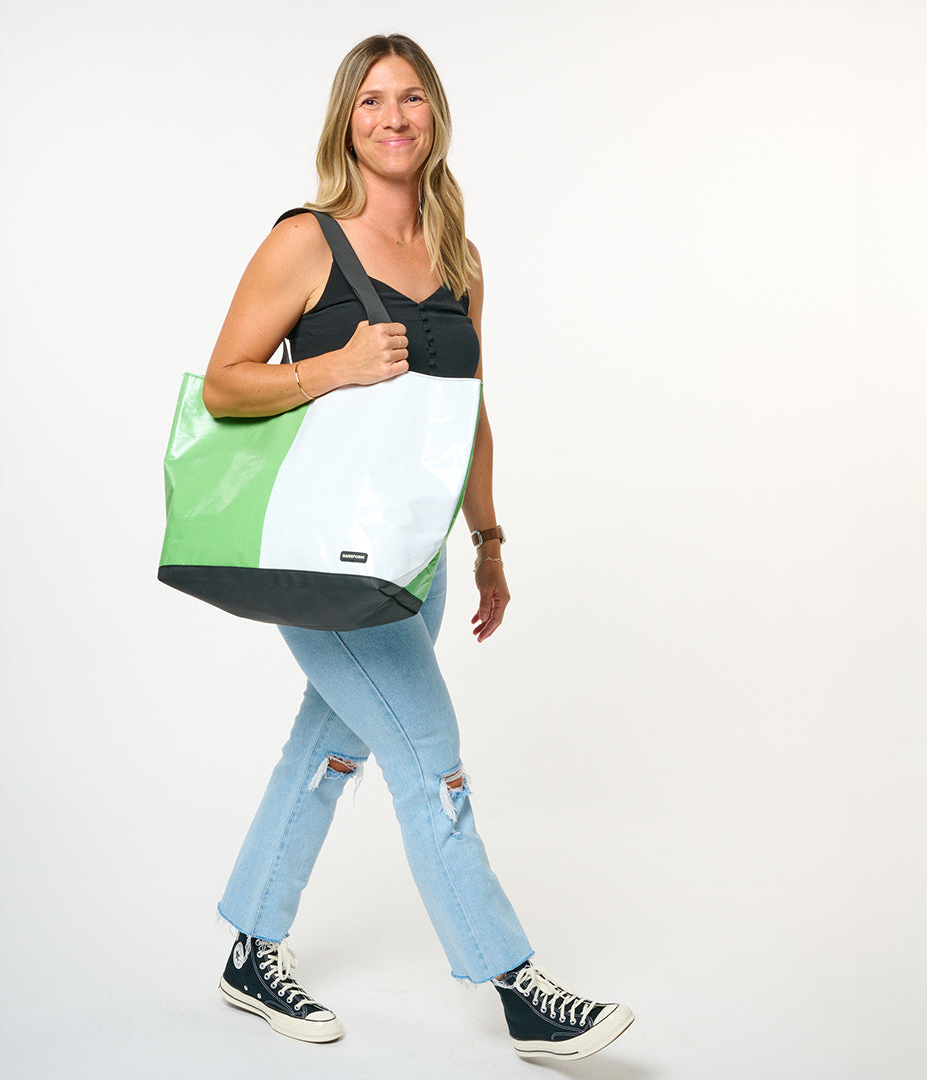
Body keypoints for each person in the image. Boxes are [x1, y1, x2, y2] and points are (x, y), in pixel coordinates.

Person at [199, 33, 634, 1061]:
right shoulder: (306, 241)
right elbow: (223, 384)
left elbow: (470, 415)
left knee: (329, 746)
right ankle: (515, 984)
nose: (391, 117)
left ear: (434, 116)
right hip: (324, 563)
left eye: (410, 99)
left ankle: (250, 949)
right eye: (370, 101)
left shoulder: (460, 259)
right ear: (345, 123)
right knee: (432, 762)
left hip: (419, 560)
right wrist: (335, 367)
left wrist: (489, 541)